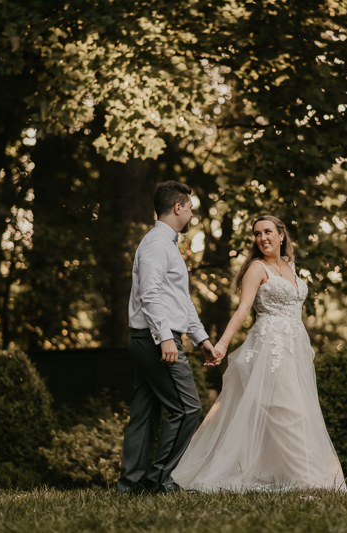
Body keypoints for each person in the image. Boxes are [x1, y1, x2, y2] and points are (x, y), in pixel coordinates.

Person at [171, 215, 346, 492]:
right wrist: (222, 344)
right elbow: (242, 311)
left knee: (299, 410)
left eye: (267, 232)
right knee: (285, 411)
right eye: (257, 233)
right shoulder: (256, 268)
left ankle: (288, 474)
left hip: (295, 346)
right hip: (270, 347)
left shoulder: (291, 266)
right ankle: (307, 478)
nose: (262, 237)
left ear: (281, 236)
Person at [116, 181, 216, 494]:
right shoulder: (157, 243)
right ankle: (159, 481)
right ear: (177, 208)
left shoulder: (166, 244)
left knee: (145, 414)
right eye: (189, 208)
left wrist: (201, 339)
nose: (190, 214)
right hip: (155, 339)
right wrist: (165, 338)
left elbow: (180, 300)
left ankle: (129, 488)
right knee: (188, 408)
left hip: (153, 337)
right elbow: (149, 294)